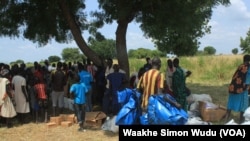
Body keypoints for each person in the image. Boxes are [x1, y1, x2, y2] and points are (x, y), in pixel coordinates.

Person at [224, 54, 250, 123]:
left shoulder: (240, 66)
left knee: (230, 105)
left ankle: (225, 121)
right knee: (243, 106)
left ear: (243, 60)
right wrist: (247, 87)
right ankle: (241, 121)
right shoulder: (248, 67)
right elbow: (247, 79)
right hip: (241, 89)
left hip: (233, 88)